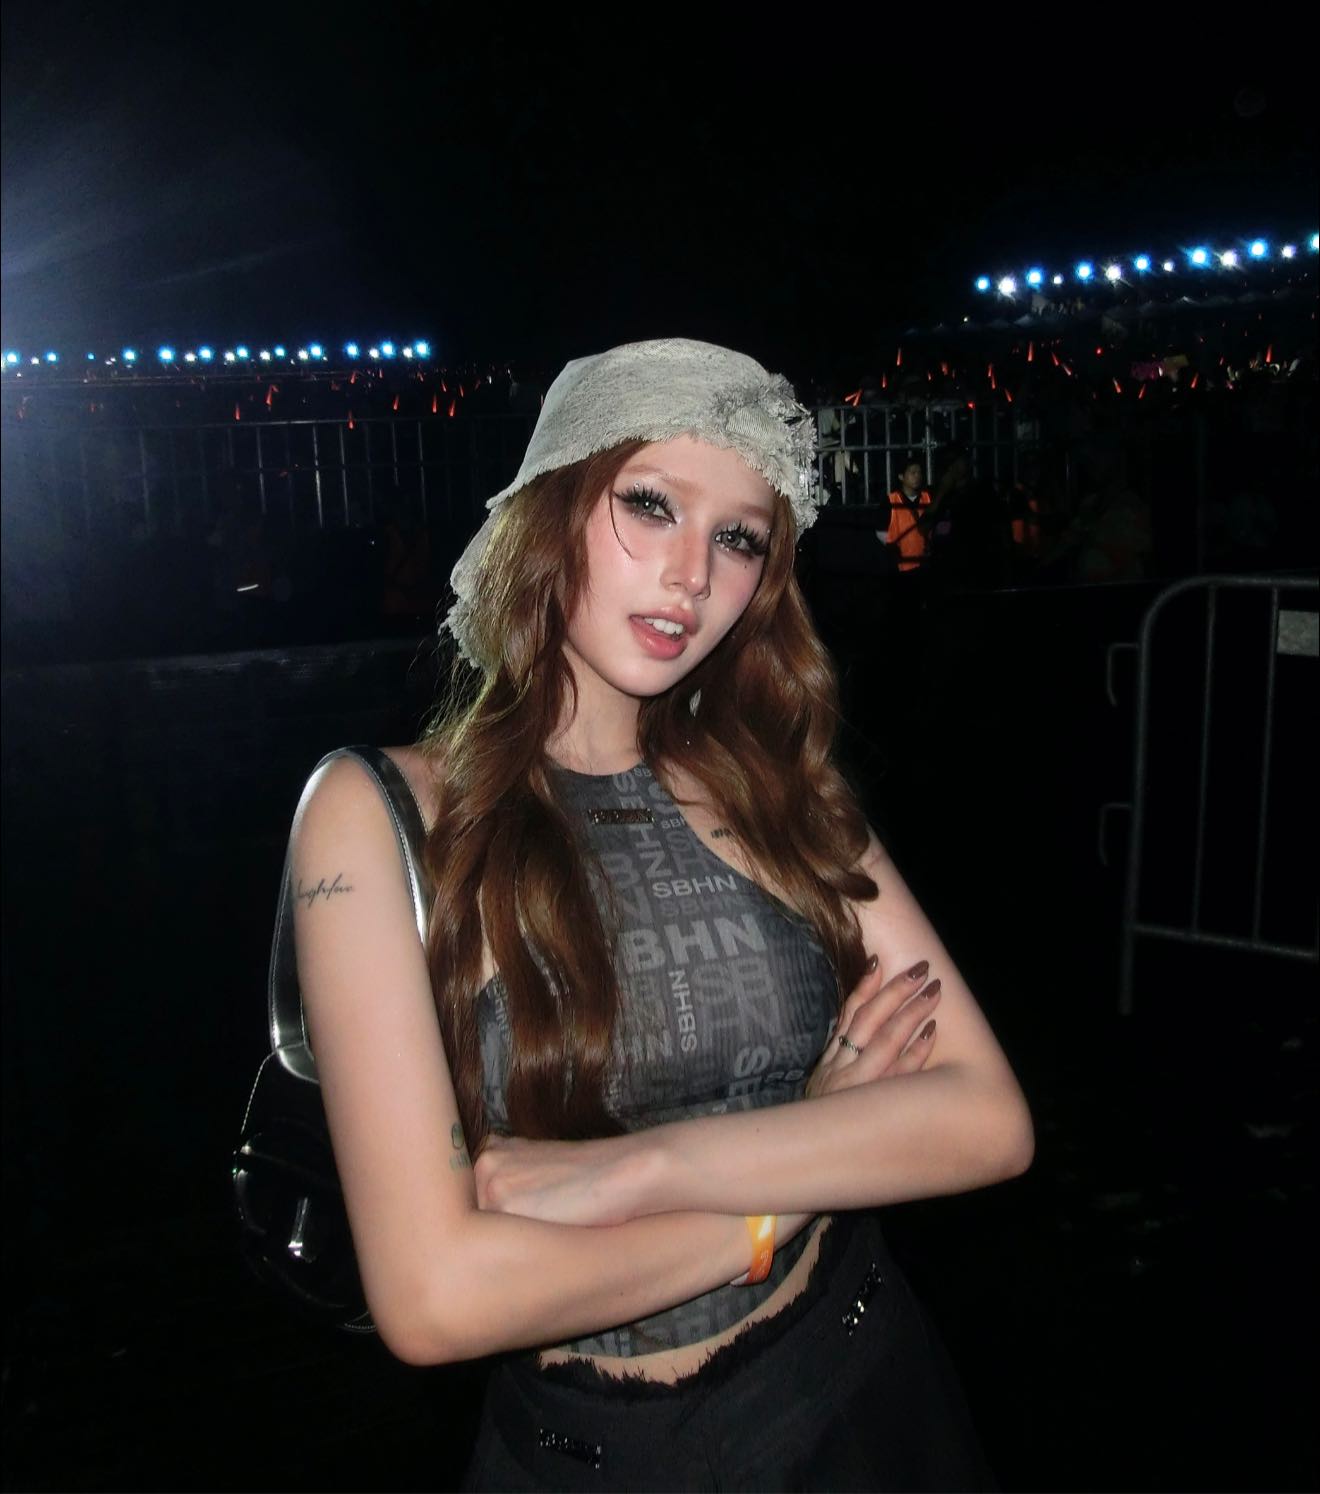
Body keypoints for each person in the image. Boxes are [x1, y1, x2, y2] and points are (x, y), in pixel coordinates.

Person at [288, 338, 1033, 1490]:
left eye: (739, 537)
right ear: (553, 509)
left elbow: (987, 1121)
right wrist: (782, 1193)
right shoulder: (380, 816)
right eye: (651, 505)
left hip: (864, 1397)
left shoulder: (779, 791)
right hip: (602, 1457)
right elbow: (436, 1301)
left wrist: (635, 1175)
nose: (693, 575)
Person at [885, 458, 936, 572]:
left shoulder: (928, 497)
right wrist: (893, 550)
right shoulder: (890, 500)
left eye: (919, 472)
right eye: (913, 473)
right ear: (901, 477)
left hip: (927, 563)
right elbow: (880, 531)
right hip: (902, 566)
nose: (917, 476)